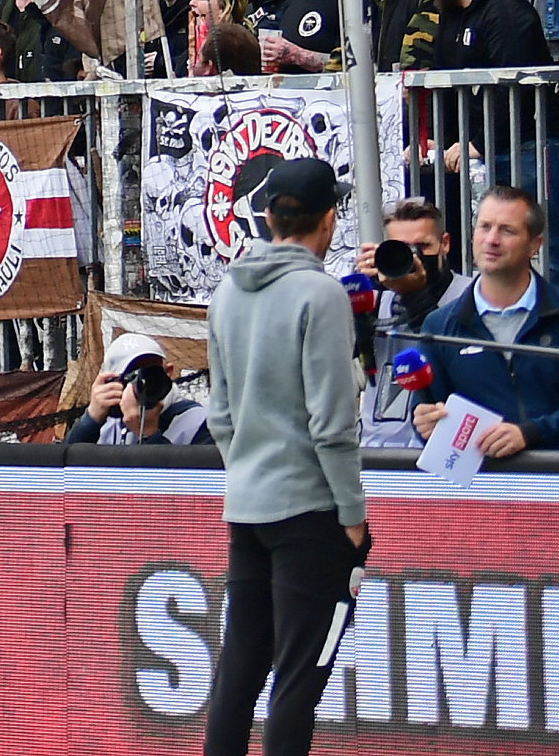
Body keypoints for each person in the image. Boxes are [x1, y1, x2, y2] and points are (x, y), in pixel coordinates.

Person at [201, 154, 370, 756]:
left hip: (247, 505)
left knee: (238, 675)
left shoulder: (227, 291)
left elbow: (220, 414)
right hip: (309, 511)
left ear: (270, 218)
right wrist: (352, 515)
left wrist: (248, 464)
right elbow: (332, 422)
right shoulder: (320, 293)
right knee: (298, 682)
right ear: (328, 220)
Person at [409, 185, 559, 455]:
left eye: (507, 230)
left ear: (534, 245)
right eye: (485, 227)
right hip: (481, 487)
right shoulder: (439, 325)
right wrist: (425, 424)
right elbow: (431, 415)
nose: (492, 240)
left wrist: (530, 434)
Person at [69, 330, 212, 446]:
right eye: (131, 378)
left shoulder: (198, 421)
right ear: (112, 382)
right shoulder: (109, 422)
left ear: (168, 372)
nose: (144, 383)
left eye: (152, 374)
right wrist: (90, 420)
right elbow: (65, 473)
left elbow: (186, 480)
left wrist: (147, 432)